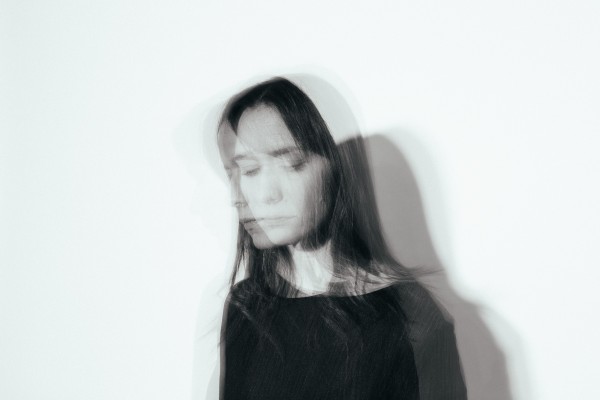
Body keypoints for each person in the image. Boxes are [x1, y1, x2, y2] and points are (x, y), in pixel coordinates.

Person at [215, 76, 467, 400]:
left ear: (336, 167)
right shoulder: (246, 306)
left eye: (290, 163)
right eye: (240, 172)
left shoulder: (413, 318)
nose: (254, 195)